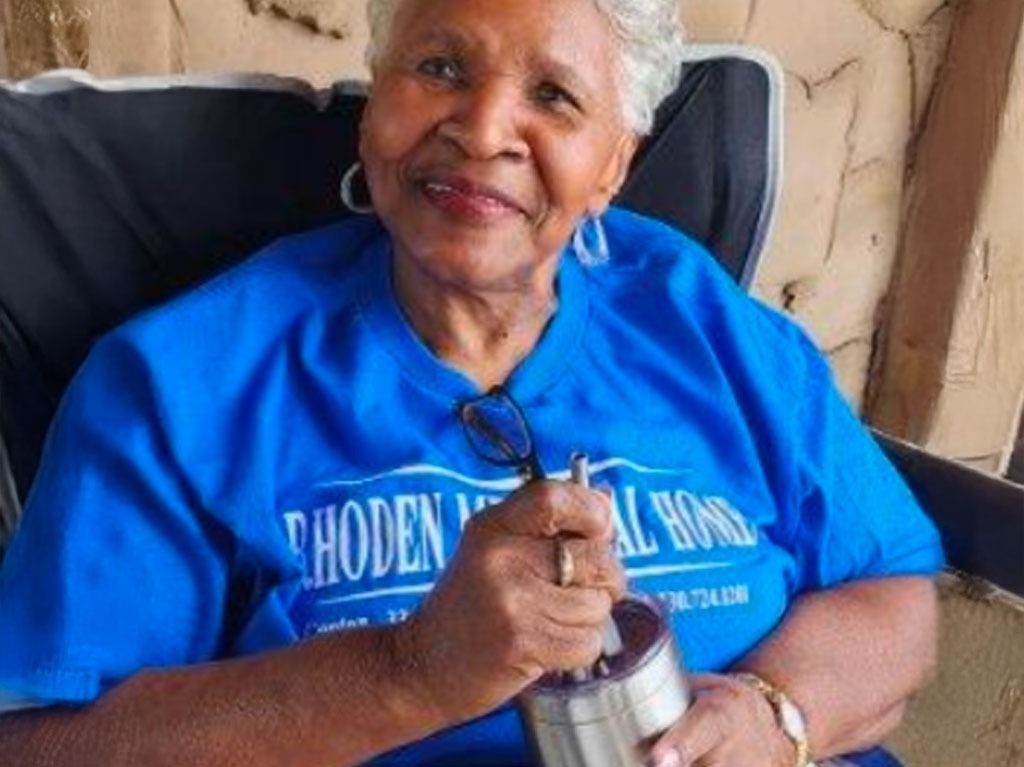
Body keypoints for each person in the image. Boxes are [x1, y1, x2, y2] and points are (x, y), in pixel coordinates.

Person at [0, 0, 943, 765]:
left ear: (614, 164)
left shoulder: (696, 315)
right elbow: (44, 745)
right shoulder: (184, 382)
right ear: (376, 103)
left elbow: (894, 594)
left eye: (555, 97)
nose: (484, 129)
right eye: (440, 68)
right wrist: (411, 669)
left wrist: (778, 717)